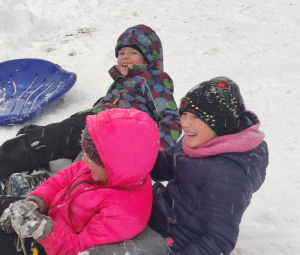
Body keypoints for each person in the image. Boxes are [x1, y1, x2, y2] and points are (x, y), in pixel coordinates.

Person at [0, 24, 182, 195]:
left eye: (133, 52)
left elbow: (170, 117)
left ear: (149, 59)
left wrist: (155, 151)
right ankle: (31, 178)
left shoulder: (153, 79)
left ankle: (34, 181)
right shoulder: (124, 82)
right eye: (121, 52)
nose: (125, 56)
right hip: (92, 125)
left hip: (106, 132)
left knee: (40, 143)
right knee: (33, 135)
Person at [0, 108, 160, 255]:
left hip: (51, 245)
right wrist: (35, 201)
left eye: (92, 157)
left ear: (115, 165)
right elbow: (61, 180)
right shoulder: (96, 169)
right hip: (48, 214)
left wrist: (42, 229)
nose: (83, 159)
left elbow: (76, 249)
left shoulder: (123, 212)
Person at [148, 76, 269, 254]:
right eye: (184, 114)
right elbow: (160, 167)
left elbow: (219, 240)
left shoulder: (226, 175)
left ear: (220, 123)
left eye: (196, 117)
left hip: (173, 240)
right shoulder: (197, 139)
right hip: (160, 214)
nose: (185, 123)